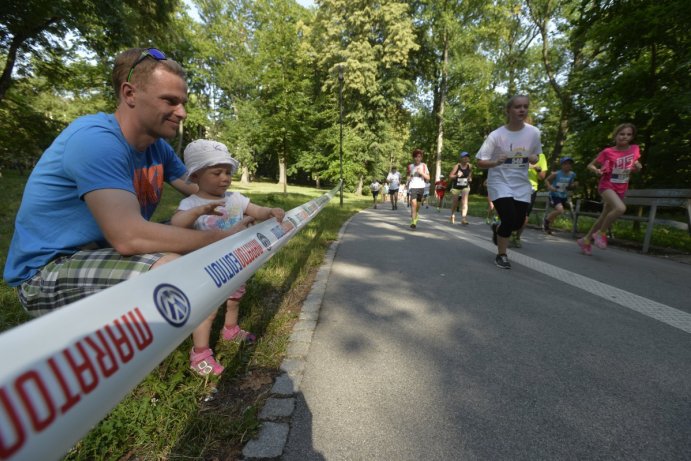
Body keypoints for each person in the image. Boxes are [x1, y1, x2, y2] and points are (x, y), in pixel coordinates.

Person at [3, 47, 253, 316]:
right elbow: (129, 237)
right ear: (129, 94)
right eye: (170, 101)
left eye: (183, 102)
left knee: (194, 220)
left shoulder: (158, 148)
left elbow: (202, 190)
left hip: (105, 253)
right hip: (46, 273)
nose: (182, 113)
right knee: (171, 268)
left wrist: (246, 209)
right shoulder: (95, 141)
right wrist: (221, 237)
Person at [172, 140, 285, 376]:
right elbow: (176, 224)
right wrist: (198, 212)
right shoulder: (191, 203)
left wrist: (270, 212)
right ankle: (200, 353)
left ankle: (230, 329)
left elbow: (256, 211)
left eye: (228, 172)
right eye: (217, 173)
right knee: (208, 310)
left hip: (234, 263)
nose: (225, 178)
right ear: (196, 176)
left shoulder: (235, 198)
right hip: (205, 270)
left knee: (234, 298)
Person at [476, 95, 542, 269]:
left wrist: (534, 158)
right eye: (517, 107)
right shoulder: (496, 135)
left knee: (519, 222)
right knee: (509, 217)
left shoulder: (533, 132)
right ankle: (502, 255)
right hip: (499, 182)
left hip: (521, 183)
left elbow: (536, 157)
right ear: (508, 110)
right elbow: (480, 162)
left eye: (525, 107)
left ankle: (498, 228)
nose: (522, 110)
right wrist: (496, 162)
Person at [577, 123, 642, 255]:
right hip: (607, 185)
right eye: (622, 134)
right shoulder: (608, 152)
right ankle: (601, 234)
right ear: (616, 135)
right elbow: (590, 165)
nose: (625, 137)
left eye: (629, 134)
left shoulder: (634, 149)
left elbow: (634, 168)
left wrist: (638, 167)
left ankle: (586, 240)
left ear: (632, 137)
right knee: (620, 208)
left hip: (621, 187)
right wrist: (596, 171)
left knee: (604, 217)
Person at [510, 152, 547, 247]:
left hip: (531, 188)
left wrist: (538, 170)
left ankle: (517, 237)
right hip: (516, 185)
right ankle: (509, 233)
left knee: (525, 215)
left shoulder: (541, 156)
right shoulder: (520, 151)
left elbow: (542, 177)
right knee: (512, 211)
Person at [543, 157, 578, 234]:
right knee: (560, 210)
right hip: (554, 194)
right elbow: (546, 180)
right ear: (562, 165)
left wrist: (573, 185)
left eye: (569, 164)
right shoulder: (556, 173)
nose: (568, 165)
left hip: (563, 195)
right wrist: (550, 187)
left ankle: (548, 227)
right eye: (565, 164)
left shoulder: (572, 175)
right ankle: (546, 221)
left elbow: (569, 186)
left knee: (558, 212)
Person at [406, 148, 431, 229]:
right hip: (413, 187)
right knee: (413, 203)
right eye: (416, 157)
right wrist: (409, 178)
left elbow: (428, 178)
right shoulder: (410, 166)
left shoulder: (424, 166)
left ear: (421, 158)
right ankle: (413, 222)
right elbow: (408, 177)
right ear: (414, 157)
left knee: (418, 205)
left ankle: (415, 214)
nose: (418, 158)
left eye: (419, 157)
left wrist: (421, 173)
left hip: (421, 187)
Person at [449, 151, 473, 225]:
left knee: (464, 201)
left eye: (467, 157)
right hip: (456, 187)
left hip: (465, 186)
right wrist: (456, 176)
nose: (466, 158)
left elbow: (470, 176)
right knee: (455, 203)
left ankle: (463, 218)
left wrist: (470, 179)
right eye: (464, 157)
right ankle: (452, 214)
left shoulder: (470, 166)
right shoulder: (457, 166)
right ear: (461, 158)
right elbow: (450, 176)